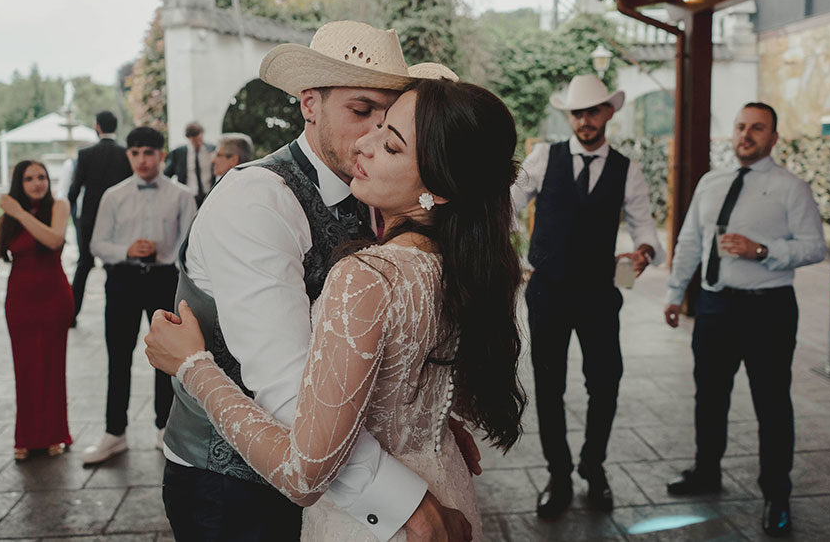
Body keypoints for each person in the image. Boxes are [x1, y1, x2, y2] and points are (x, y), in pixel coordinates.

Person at [146, 76, 525, 542]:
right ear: (310, 105)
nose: (367, 142)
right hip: (238, 491)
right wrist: (413, 463)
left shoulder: (377, 235)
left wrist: (190, 365)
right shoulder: (259, 198)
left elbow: (306, 449)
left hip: (362, 498)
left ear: (440, 183)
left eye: (389, 135)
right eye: (362, 113)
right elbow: (296, 385)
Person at [663, 103, 826, 538]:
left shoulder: (791, 188)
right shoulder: (710, 182)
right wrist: (676, 293)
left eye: (757, 128)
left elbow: (815, 247)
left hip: (768, 309)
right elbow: (691, 241)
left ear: (773, 138)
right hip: (715, 306)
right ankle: (706, 470)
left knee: (771, 402)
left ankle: (777, 494)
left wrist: (764, 250)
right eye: (740, 127)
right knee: (709, 396)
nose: (746, 135)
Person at [511, 74, 665, 517]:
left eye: (593, 111)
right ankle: (558, 475)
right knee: (549, 384)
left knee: (605, 382)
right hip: (548, 291)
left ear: (608, 113)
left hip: (600, 292)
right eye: (578, 113)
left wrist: (645, 250)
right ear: (570, 117)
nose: (585, 120)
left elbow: (644, 224)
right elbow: (507, 204)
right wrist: (507, 249)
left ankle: (593, 468)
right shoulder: (544, 157)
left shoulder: (626, 168)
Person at [82, 126, 197, 465]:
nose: (142, 160)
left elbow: (189, 245)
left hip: (163, 281)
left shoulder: (181, 195)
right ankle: (113, 432)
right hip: (123, 280)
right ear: (128, 155)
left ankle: (165, 428)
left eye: (149, 152)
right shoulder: (113, 196)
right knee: (118, 356)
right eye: (135, 153)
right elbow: (97, 244)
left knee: (167, 357)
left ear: (161, 155)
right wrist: (126, 249)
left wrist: (166, 255)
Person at [0, 160, 73, 461]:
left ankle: (55, 433)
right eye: (29, 178)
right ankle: (26, 436)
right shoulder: (5, 219)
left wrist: (18, 212)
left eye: (42, 177)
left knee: (52, 366)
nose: (37, 183)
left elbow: (54, 239)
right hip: (19, 298)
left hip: (54, 296)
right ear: (20, 183)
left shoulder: (58, 206)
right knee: (25, 367)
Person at [68, 111, 132, 324]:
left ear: (98, 127)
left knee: (84, 265)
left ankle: (71, 315)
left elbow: (75, 189)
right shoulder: (125, 153)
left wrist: (73, 216)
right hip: (117, 221)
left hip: (89, 220)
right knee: (115, 268)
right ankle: (118, 314)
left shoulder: (85, 154)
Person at [164, 121, 215, 206]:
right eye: (194, 141)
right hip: (188, 198)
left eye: (199, 139)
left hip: (209, 196)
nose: (198, 143)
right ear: (188, 138)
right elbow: (166, 176)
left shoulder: (212, 149)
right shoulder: (178, 153)